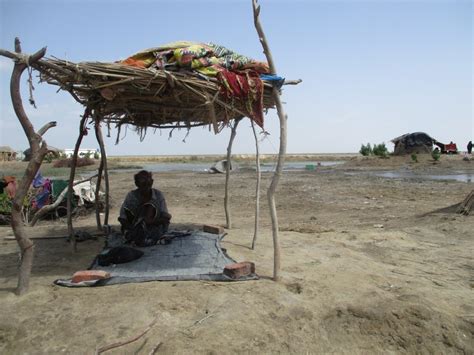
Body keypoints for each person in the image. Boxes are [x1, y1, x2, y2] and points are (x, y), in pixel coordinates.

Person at [118, 170, 171, 246]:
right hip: (135, 228)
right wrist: (133, 228)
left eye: (149, 183)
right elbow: (122, 218)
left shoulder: (158, 195)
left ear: (152, 182)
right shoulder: (131, 196)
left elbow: (165, 217)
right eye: (143, 184)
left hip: (153, 228)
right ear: (136, 184)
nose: (146, 187)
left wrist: (149, 222)